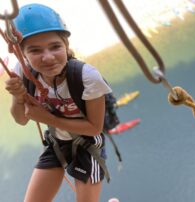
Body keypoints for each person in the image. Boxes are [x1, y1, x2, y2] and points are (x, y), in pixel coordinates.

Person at [5, 4, 111, 202]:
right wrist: (18, 97)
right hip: (56, 142)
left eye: (55, 47)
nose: (48, 57)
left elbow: (95, 128)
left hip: (87, 144)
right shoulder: (23, 72)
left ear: (66, 46)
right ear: (22, 53)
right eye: (35, 50)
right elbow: (20, 119)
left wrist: (49, 119)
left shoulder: (87, 77)